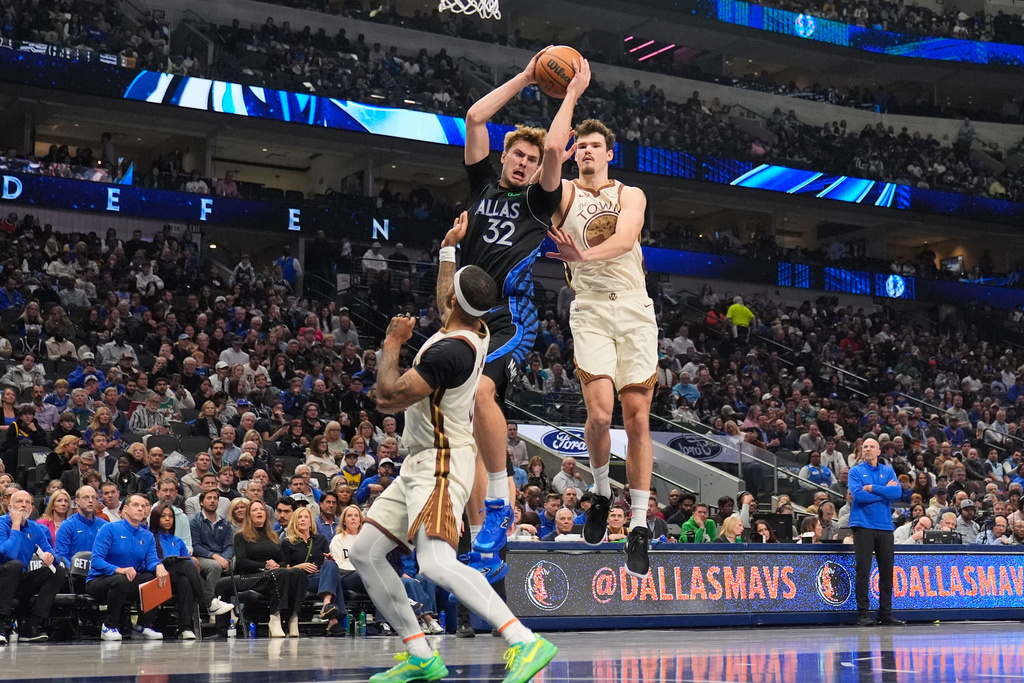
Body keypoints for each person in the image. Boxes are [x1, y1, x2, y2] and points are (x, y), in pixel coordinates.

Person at [349, 265, 556, 683]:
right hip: (420, 462)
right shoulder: (477, 327)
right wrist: (448, 249)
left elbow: (387, 399)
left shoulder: (451, 352)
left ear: (452, 303)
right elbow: (450, 294)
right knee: (365, 552)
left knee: (435, 562)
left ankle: (523, 639)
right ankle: (421, 655)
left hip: (442, 461)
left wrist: (391, 342)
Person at [437, 49, 585, 563]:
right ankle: (482, 532)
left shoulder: (539, 202)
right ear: (504, 156)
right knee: (463, 430)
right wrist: (525, 76)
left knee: (481, 395)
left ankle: (501, 501)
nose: (524, 163)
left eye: (533, 158)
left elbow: (554, 151)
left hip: (508, 318)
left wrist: (568, 95)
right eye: (517, 155)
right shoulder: (480, 185)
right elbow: (476, 117)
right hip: (461, 315)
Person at [546, 115, 657, 577]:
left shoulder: (630, 194)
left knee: (636, 420)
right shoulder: (565, 194)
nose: (588, 151)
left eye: (596, 146)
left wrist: (582, 255)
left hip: (634, 307)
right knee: (598, 413)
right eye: (582, 146)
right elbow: (547, 163)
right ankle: (600, 490)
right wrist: (564, 127)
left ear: (610, 154)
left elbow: (627, 236)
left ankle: (636, 525)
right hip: (589, 307)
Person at [86, 493, 169, 641]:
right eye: (135, 505)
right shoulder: (109, 528)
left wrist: (159, 566)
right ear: (125, 509)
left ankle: (142, 626)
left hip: (128, 580)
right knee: (120, 580)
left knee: (155, 578)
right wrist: (119, 569)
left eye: (143, 506)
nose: (140, 509)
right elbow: (96, 560)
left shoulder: (147, 536)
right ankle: (109, 626)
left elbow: (151, 560)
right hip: (100, 580)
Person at [230, 499, 307, 638]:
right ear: (249, 515)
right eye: (254, 510)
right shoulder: (241, 536)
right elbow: (242, 562)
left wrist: (277, 566)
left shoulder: (273, 536)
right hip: (250, 577)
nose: (259, 512)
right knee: (280, 574)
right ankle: (275, 617)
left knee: (297, 572)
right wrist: (265, 566)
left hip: (273, 574)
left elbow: (283, 561)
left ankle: (293, 617)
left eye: (261, 509)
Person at [848, 438, 904, 626]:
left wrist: (872, 488)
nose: (867, 449)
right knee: (863, 569)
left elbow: (897, 494)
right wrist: (883, 492)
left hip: (885, 526)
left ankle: (885, 612)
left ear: (879, 451)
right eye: (864, 447)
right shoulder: (855, 471)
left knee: (886, 571)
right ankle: (863, 613)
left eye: (871, 446)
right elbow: (858, 496)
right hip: (863, 525)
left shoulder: (887, 470)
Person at [0, 490, 68, 643]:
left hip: (18, 581)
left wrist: (51, 558)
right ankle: (2, 623)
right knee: (15, 565)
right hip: (3, 577)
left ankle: (33, 624)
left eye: (28, 502)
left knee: (57, 571)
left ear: (32, 508)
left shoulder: (36, 529)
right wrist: (16, 525)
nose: (24, 505)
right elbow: (8, 553)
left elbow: (53, 554)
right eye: (19, 502)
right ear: (9, 507)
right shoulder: (1, 524)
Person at [150, 502, 205, 639]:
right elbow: (147, 561)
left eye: (170, 516)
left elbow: (190, 564)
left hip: (176, 580)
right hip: (156, 577)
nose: (168, 519)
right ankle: (208, 601)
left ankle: (185, 628)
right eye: (163, 516)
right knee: (183, 565)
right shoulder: (149, 537)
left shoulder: (178, 540)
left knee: (185, 580)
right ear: (156, 518)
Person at [280, 506, 334, 637]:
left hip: (320, 577)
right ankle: (334, 621)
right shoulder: (287, 543)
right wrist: (300, 566)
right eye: (300, 517)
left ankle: (327, 605)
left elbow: (327, 562)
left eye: (306, 517)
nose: (303, 520)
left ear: (311, 522)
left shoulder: (320, 539)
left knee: (331, 564)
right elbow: (283, 570)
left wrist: (329, 559)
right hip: (301, 579)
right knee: (335, 582)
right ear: (295, 521)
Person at [188, 489, 236, 618]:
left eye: (215, 498)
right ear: (201, 502)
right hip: (202, 557)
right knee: (214, 566)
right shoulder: (194, 522)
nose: (213, 501)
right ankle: (212, 608)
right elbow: (195, 546)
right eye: (209, 498)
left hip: (222, 557)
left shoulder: (225, 523)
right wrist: (215, 557)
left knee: (237, 563)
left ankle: (235, 610)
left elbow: (229, 545)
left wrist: (225, 559)